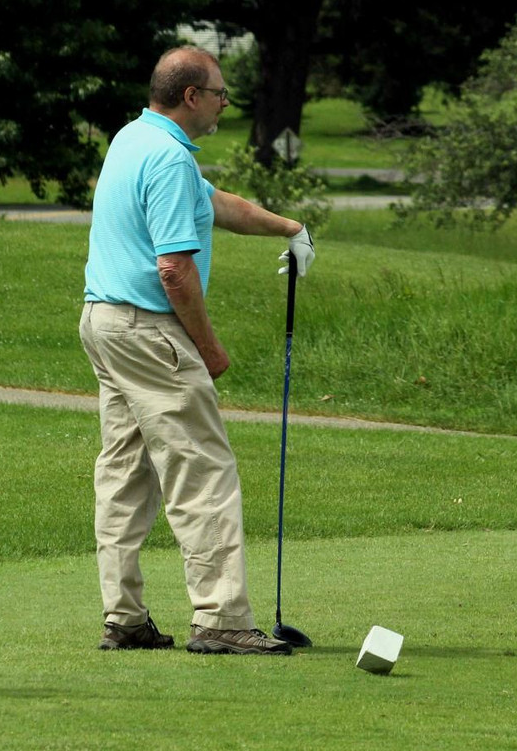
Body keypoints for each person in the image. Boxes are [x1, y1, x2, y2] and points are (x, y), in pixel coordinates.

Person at [77, 46, 315, 655]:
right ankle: (221, 620)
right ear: (191, 96)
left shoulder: (135, 139)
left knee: (126, 471)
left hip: (105, 324)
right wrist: (208, 350)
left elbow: (215, 206)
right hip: (149, 331)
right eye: (219, 94)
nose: (224, 104)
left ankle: (123, 617)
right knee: (203, 470)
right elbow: (175, 271)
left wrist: (289, 227)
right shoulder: (166, 157)